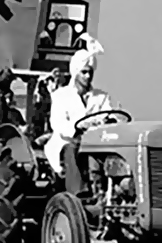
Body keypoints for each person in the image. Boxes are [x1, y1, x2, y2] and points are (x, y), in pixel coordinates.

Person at [44, 35, 114, 196]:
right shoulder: (61, 95)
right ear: (76, 72)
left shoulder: (101, 96)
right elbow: (58, 123)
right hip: (67, 140)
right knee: (73, 148)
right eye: (84, 72)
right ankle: (78, 192)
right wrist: (77, 128)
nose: (88, 77)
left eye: (90, 73)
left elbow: (108, 114)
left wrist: (106, 122)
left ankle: (109, 191)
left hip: (96, 140)